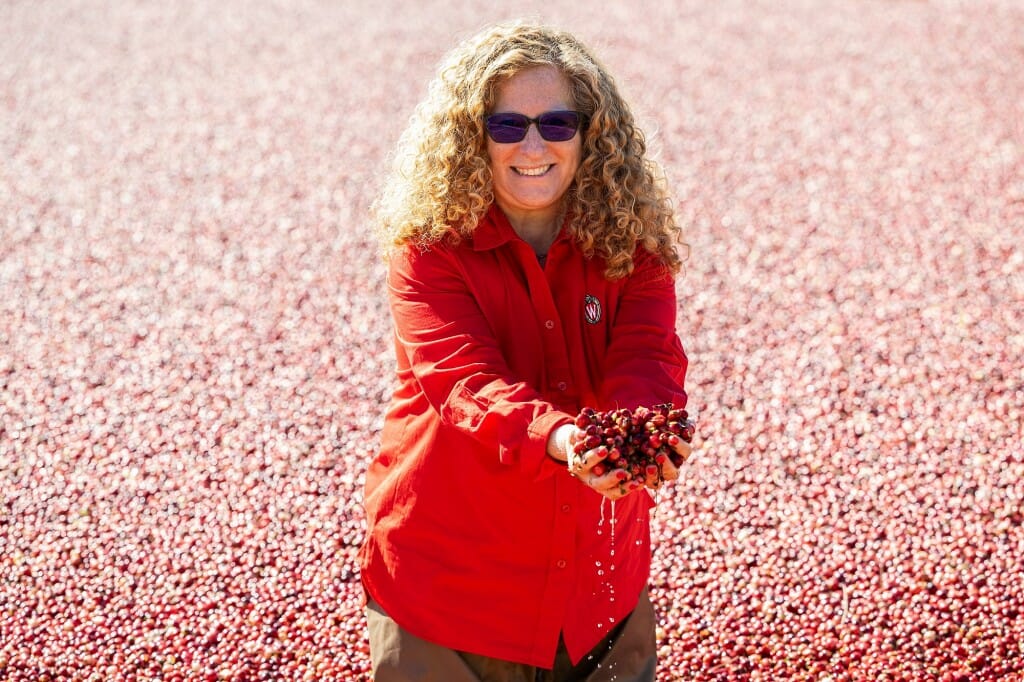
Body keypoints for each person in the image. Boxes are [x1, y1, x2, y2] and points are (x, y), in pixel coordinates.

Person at [360, 19, 692, 682]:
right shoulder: (429, 250)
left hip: (597, 597)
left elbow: (646, 358)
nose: (532, 145)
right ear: (470, 138)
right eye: (507, 126)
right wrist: (569, 442)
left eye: (557, 124)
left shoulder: (636, 245)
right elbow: (463, 382)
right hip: (453, 604)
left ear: (591, 133)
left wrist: (643, 434)